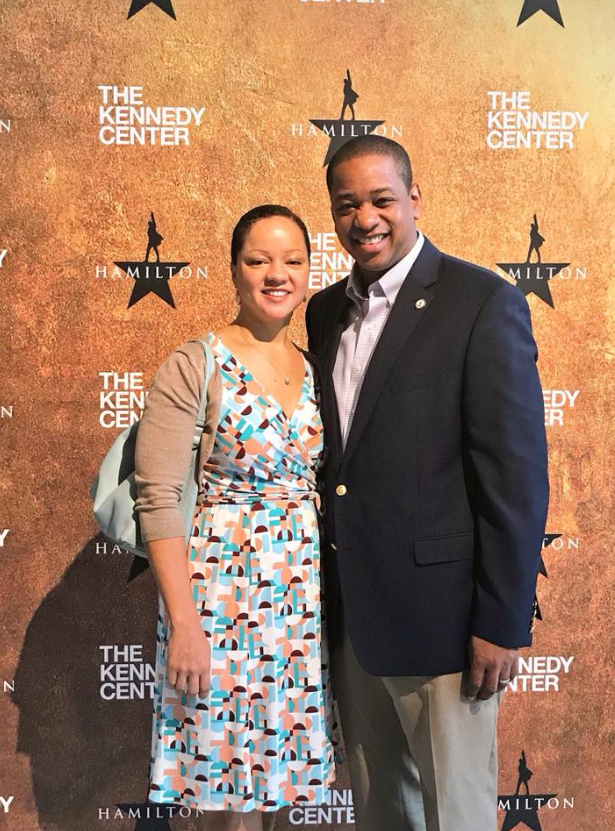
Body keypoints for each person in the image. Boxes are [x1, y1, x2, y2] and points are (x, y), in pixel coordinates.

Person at [305, 135, 549, 831]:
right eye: (347, 204)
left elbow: (515, 478)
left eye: (381, 199)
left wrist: (500, 622)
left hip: (447, 630)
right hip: (354, 624)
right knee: (383, 814)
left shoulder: (480, 302)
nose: (365, 218)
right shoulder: (323, 311)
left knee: (456, 816)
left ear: (414, 198)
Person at [134, 205, 335, 831]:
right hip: (220, 606)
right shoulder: (194, 365)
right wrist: (186, 624)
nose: (277, 274)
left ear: (308, 272)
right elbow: (158, 499)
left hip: (300, 606)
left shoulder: (316, 367)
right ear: (233, 270)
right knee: (223, 795)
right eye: (259, 260)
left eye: (293, 261)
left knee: (276, 787)